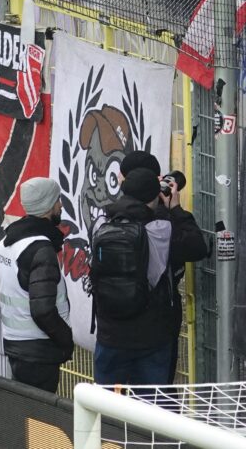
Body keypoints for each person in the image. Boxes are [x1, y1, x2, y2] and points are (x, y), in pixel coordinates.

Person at [90, 166, 208, 388]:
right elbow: (197, 246)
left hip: (109, 334)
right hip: (151, 338)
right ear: (155, 196)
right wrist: (175, 209)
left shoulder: (100, 224)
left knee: (104, 408)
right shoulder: (161, 230)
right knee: (150, 409)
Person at [0, 178, 74, 393]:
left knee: (24, 414)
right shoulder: (41, 250)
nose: (61, 205)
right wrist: (66, 339)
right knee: (40, 420)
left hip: (15, 344)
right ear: (49, 206)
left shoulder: (4, 243)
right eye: (58, 200)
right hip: (39, 350)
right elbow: (43, 310)